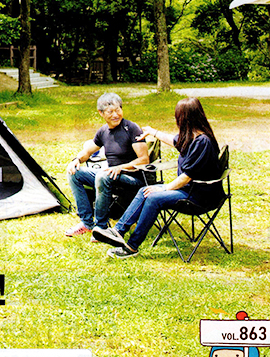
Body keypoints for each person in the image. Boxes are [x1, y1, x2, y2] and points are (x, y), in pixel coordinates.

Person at [99, 96, 220, 258]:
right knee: (144, 190)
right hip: (190, 191)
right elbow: (174, 141)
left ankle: (131, 247)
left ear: (184, 118)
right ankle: (117, 231)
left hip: (200, 198)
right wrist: (153, 132)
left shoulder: (202, 142)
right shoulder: (192, 137)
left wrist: (163, 188)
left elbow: (186, 177)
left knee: (153, 198)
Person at [65, 92, 149, 237]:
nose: (115, 115)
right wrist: (76, 160)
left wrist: (120, 168)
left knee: (103, 176)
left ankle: (101, 227)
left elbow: (144, 160)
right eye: (110, 112)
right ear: (101, 113)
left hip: (134, 179)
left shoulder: (132, 128)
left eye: (118, 110)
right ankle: (87, 223)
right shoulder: (103, 132)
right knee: (74, 173)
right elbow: (88, 151)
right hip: (111, 176)